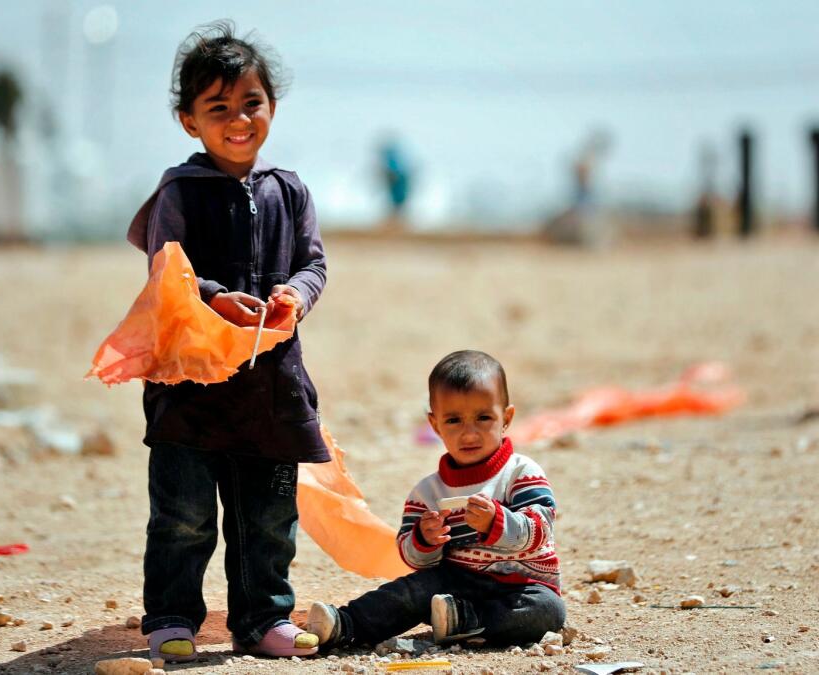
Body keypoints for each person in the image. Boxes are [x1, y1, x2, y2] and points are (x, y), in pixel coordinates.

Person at [123, 21, 329, 661]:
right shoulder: (180, 190)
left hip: (270, 387)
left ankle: (263, 619)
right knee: (183, 516)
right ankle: (172, 617)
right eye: (218, 108)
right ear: (190, 121)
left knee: (268, 518)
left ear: (271, 107)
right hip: (190, 387)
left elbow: (314, 263)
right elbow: (167, 265)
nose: (238, 119)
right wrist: (214, 296)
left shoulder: (289, 189)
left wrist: (295, 292)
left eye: (251, 104)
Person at [302, 350, 565, 648]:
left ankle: (467, 621)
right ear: (435, 424)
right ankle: (345, 623)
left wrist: (498, 522)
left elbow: (541, 530)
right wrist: (425, 539)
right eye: (454, 420)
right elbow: (411, 555)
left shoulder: (521, 472)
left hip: (520, 587)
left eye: (483, 418)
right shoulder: (428, 492)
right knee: (409, 590)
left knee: (548, 611)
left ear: (506, 418)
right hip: (453, 587)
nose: (469, 433)